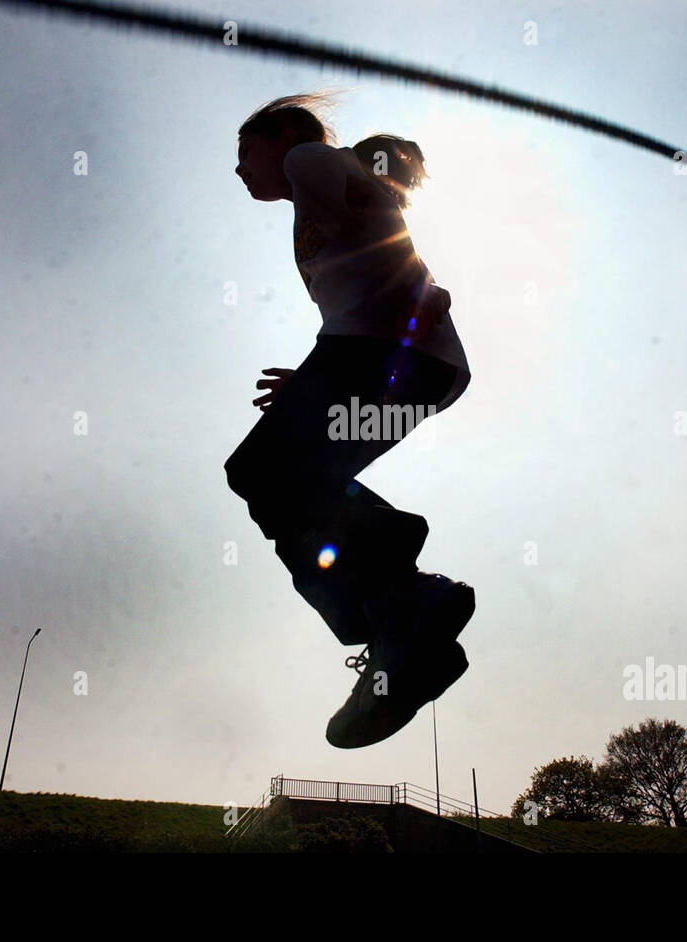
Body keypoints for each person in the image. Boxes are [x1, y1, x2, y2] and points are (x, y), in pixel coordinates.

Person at [227, 93, 475, 749]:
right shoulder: (308, 200)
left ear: (280, 134)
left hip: (395, 355)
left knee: (260, 472)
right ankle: (405, 641)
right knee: (285, 484)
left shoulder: (308, 159)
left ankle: (405, 595)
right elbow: (365, 256)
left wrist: (382, 173)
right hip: (401, 361)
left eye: (244, 152)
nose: (239, 169)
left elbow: (376, 210)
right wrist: (312, 372)